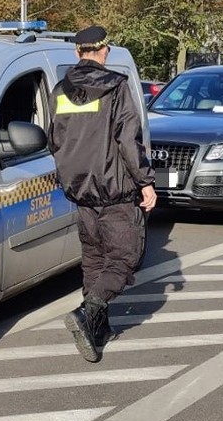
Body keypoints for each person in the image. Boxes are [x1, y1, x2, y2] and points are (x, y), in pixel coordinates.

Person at [47, 24, 157, 363]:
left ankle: (97, 332)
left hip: (82, 194)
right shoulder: (116, 87)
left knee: (94, 262)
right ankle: (86, 312)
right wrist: (146, 181)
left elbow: (55, 140)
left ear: (77, 53)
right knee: (123, 261)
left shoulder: (59, 91)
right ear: (104, 51)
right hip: (117, 192)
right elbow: (128, 140)